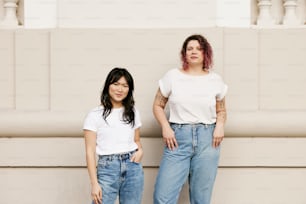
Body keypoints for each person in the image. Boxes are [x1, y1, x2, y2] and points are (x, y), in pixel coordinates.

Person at [153, 34, 228, 204]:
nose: (194, 51)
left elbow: (221, 110)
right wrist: (165, 127)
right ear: (184, 53)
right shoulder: (172, 76)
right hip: (178, 139)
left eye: (198, 48)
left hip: (208, 140)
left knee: (201, 198)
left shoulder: (215, 80)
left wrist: (220, 126)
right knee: (163, 197)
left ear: (205, 53)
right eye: (190, 48)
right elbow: (157, 105)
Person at [83, 67, 144, 204]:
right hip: (108, 168)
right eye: (116, 84)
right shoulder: (94, 115)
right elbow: (89, 151)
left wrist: (140, 151)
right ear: (108, 86)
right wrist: (94, 184)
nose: (120, 89)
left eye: (124, 85)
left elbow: (137, 140)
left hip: (133, 167)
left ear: (129, 89)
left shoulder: (133, 112)